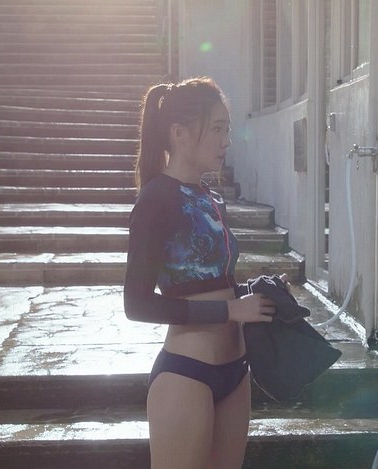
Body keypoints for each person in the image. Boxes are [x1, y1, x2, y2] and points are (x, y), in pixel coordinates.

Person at [124, 77, 277, 469]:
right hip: (187, 373)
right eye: (217, 129)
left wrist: (256, 296)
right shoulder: (156, 200)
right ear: (179, 133)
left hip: (235, 371)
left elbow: (211, 280)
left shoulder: (211, 199)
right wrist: (229, 311)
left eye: (228, 129)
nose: (226, 141)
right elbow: (136, 305)